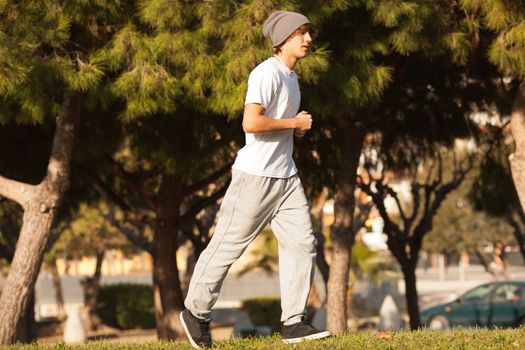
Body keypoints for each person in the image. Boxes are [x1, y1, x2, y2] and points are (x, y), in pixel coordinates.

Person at [179, 10, 331, 349]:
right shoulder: (266, 73)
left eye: (309, 33)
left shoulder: (291, 78)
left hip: (286, 177)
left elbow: (275, 125)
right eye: (301, 33)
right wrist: (293, 123)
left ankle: (293, 323)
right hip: (255, 178)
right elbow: (251, 123)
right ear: (283, 39)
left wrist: (293, 128)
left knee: (303, 244)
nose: (308, 39)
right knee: (228, 246)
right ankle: (196, 312)